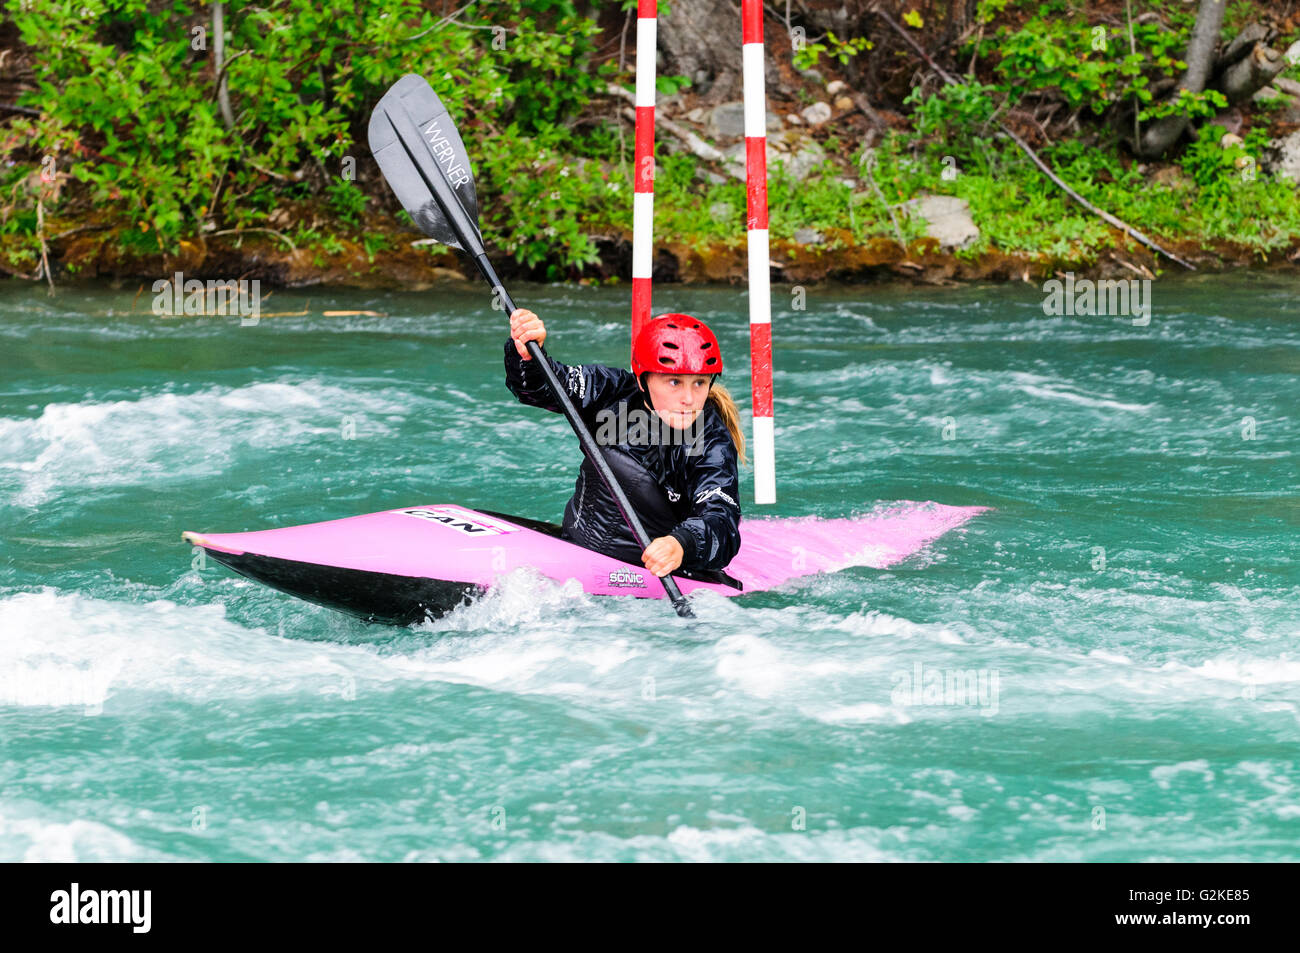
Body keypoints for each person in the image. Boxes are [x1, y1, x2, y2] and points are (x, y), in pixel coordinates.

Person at [505, 307, 744, 581]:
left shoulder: (711, 442)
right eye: (675, 382)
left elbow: (721, 518)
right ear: (643, 380)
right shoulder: (611, 391)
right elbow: (541, 387)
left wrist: (681, 544)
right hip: (578, 546)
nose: (689, 399)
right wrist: (527, 353)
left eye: (700, 383)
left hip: (661, 574)